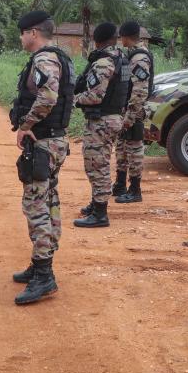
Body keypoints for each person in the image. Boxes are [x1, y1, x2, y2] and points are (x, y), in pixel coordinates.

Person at [9, 11, 74, 304]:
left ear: (33, 33)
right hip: (55, 140)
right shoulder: (60, 57)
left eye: (22, 33)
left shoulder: (44, 59)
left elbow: (48, 97)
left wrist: (26, 125)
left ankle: (45, 275)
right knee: (49, 200)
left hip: (44, 141)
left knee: (35, 204)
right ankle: (39, 264)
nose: (21, 38)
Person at [73, 22, 129, 228]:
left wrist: (73, 99)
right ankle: (97, 203)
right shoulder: (122, 58)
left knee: (97, 165)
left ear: (97, 40)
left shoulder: (104, 62)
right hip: (113, 117)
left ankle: (100, 213)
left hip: (102, 121)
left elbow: (95, 96)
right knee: (100, 162)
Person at [113, 20, 154, 204]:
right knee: (121, 148)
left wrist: (130, 115)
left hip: (134, 111)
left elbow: (140, 90)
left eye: (121, 37)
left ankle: (135, 189)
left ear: (126, 37)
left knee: (134, 150)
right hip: (125, 109)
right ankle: (120, 184)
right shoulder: (132, 54)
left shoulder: (139, 57)